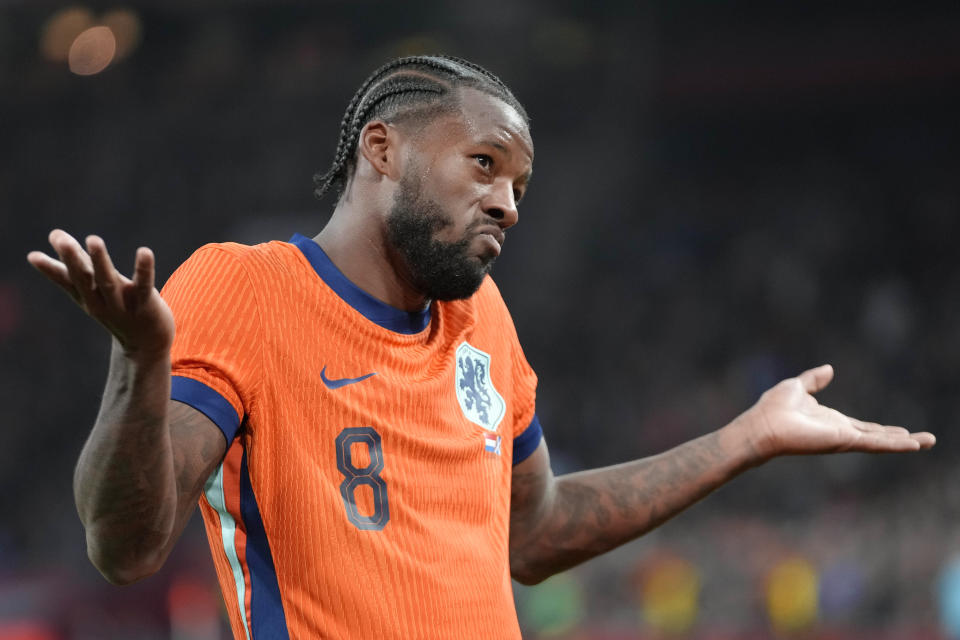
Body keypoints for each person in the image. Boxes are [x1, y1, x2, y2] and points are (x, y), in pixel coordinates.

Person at [27, 55, 935, 640]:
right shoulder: (248, 286)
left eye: (522, 183)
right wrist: (141, 364)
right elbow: (127, 547)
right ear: (382, 151)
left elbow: (533, 536)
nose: (509, 201)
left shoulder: (481, 322)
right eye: (485, 164)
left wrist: (747, 439)